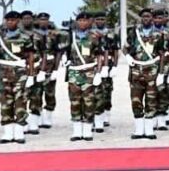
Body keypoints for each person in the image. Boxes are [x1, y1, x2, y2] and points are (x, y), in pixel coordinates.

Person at [0, 10, 37, 144]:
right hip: (3, 72)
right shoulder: (0, 37)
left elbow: (30, 57)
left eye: (13, 20)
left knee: (20, 100)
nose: (10, 22)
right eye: (8, 20)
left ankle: (19, 132)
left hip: (20, 72)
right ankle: (8, 133)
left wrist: (30, 74)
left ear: (18, 21)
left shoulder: (25, 37)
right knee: (5, 102)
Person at [124, 7, 165, 140]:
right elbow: (125, 48)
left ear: (152, 18)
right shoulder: (133, 32)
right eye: (143, 16)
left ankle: (149, 130)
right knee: (136, 100)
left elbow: (162, 54)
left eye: (148, 16)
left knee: (151, 100)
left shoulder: (159, 34)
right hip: (136, 70)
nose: (146, 19)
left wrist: (161, 73)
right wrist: (128, 57)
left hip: (152, 70)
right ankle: (138, 130)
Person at [66, 11, 104, 141]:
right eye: (80, 20)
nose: (83, 23)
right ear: (77, 22)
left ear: (89, 22)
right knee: (75, 101)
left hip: (89, 72)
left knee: (89, 101)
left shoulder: (95, 36)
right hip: (74, 72)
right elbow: (64, 51)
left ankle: (87, 130)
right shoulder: (70, 36)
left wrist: (98, 73)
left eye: (85, 20)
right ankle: (77, 131)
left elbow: (99, 55)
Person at [34, 12, 61, 130]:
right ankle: (37, 117)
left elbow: (59, 52)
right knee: (36, 93)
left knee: (50, 93)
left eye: (45, 19)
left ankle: (48, 117)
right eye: (41, 19)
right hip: (36, 67)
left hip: (50, 65)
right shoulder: (33, 34)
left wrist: (56, 69)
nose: (43, 21)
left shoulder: (54, 35)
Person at [92, 12, 117, 129]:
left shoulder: (111, 34)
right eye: (98, 19)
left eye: (102, 19)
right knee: (93, 92)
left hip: (109, 65)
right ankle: (93, 116)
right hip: (95, 66)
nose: (100, 21)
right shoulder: (91, 34)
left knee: (106, 91)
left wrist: (115, 67)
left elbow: (116, 51)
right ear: (94, 21)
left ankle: (106, 115)